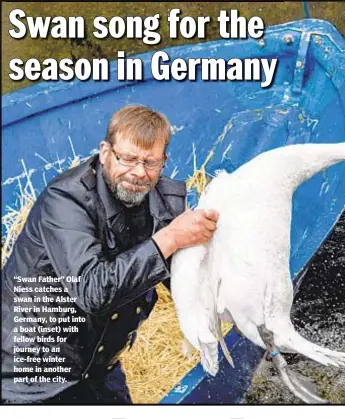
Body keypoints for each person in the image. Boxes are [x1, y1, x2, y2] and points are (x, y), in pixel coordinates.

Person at [1, 104, 219, 404]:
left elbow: (189, 277)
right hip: (33, 376)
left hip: (99, 362)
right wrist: (169, 239)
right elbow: (92, 290)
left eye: (150, 162)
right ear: (105, 152)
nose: (138, 173)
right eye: (128, 158)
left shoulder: (163, 203)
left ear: (164, 162)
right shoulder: (65, 201)